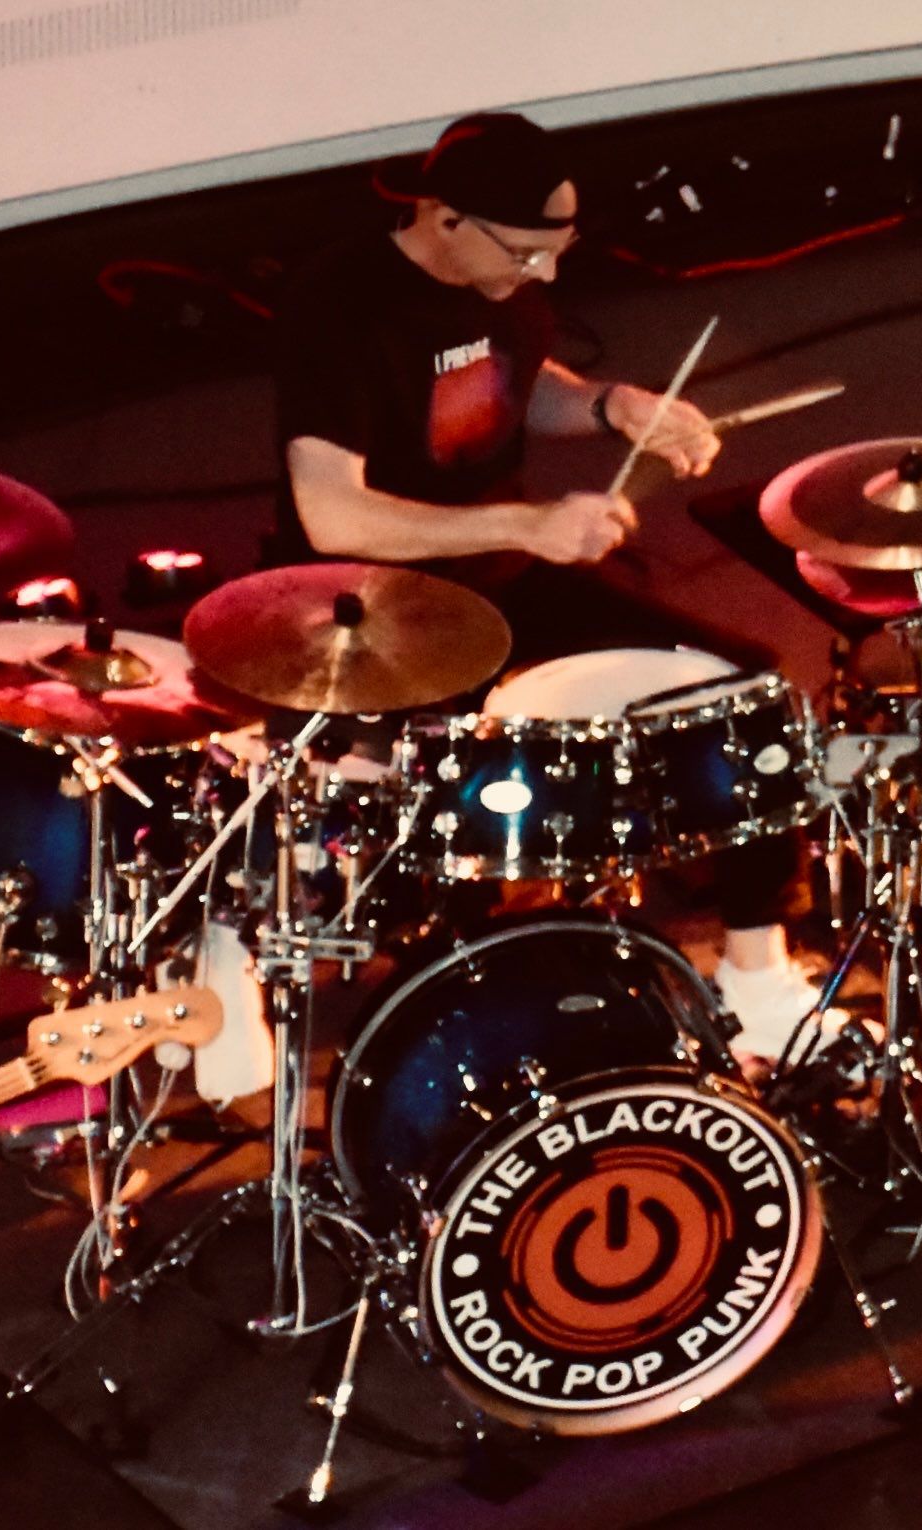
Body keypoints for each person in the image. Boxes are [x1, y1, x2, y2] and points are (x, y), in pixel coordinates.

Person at [271, 111, 834, 1058]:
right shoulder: (342, 302)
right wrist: (526, 524)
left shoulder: (503, 280)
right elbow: (333, 513)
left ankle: (759, 977)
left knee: (739, 692)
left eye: (558, 254)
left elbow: (517, 380)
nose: (545, 276)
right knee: (463, 811)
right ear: (445, 218)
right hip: (374, 604)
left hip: (502, 581)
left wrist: (613, 407)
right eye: (527, 255)